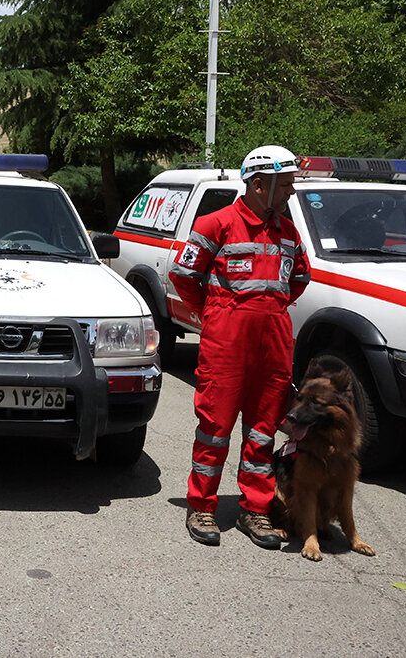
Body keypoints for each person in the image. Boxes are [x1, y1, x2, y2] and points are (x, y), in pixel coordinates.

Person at [169, 146, 311, 549]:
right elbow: (183, 275)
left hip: (274, 343)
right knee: (215, 428)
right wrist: (214, 313)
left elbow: (300, 276)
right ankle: (202, 506)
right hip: (226, 343)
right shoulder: (216, 224)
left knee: (264, 430)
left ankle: (256, 510)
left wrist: (272, 309)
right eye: (284, 185)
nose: (290, 193)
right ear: (258, 184)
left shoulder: (287, 231)